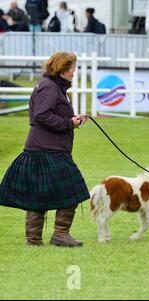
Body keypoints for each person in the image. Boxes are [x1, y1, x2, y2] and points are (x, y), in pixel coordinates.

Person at [0, 51, 90, 247]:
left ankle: (35, 240)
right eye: (73, 68)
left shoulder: (51, 86)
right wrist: (69, 123)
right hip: (48, 150)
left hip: (45, 148)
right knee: (74, 190)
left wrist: (74, 120)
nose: (75, 72)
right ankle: (58, 235)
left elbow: (47, 114)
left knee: (38, 195)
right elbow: (41, 116)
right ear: (64, 68)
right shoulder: (50, 87)